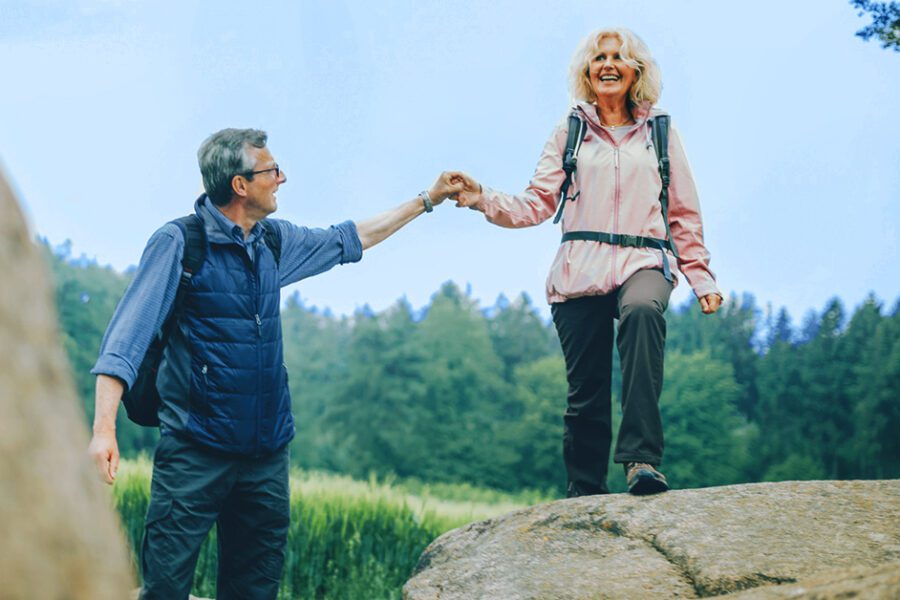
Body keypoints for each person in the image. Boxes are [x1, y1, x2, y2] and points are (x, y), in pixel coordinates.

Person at [87, 128, 461, 599]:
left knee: (255, 593)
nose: (282, 178)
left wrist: (428, 199)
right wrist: (104, 429)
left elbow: (351, 238)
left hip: (265, 457)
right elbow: (125, 339)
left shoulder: (273, 244)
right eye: (272, 171)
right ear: (240, 185)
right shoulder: (179, 244)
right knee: (164, 589)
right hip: (194, 453)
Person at [448, 28, 722, 497]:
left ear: (636, 70)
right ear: (588, 71)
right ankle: (585, 489)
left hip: (644, 259)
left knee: (640, 312)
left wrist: (700, 276)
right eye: (599, 57)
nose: (608, 64)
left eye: (619, 56)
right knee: (587, 389)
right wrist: (480, 198)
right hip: (580, 266)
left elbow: (683, 212)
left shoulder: (660, 131)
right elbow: (535, 204)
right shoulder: (570, 130)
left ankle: (641, 461)